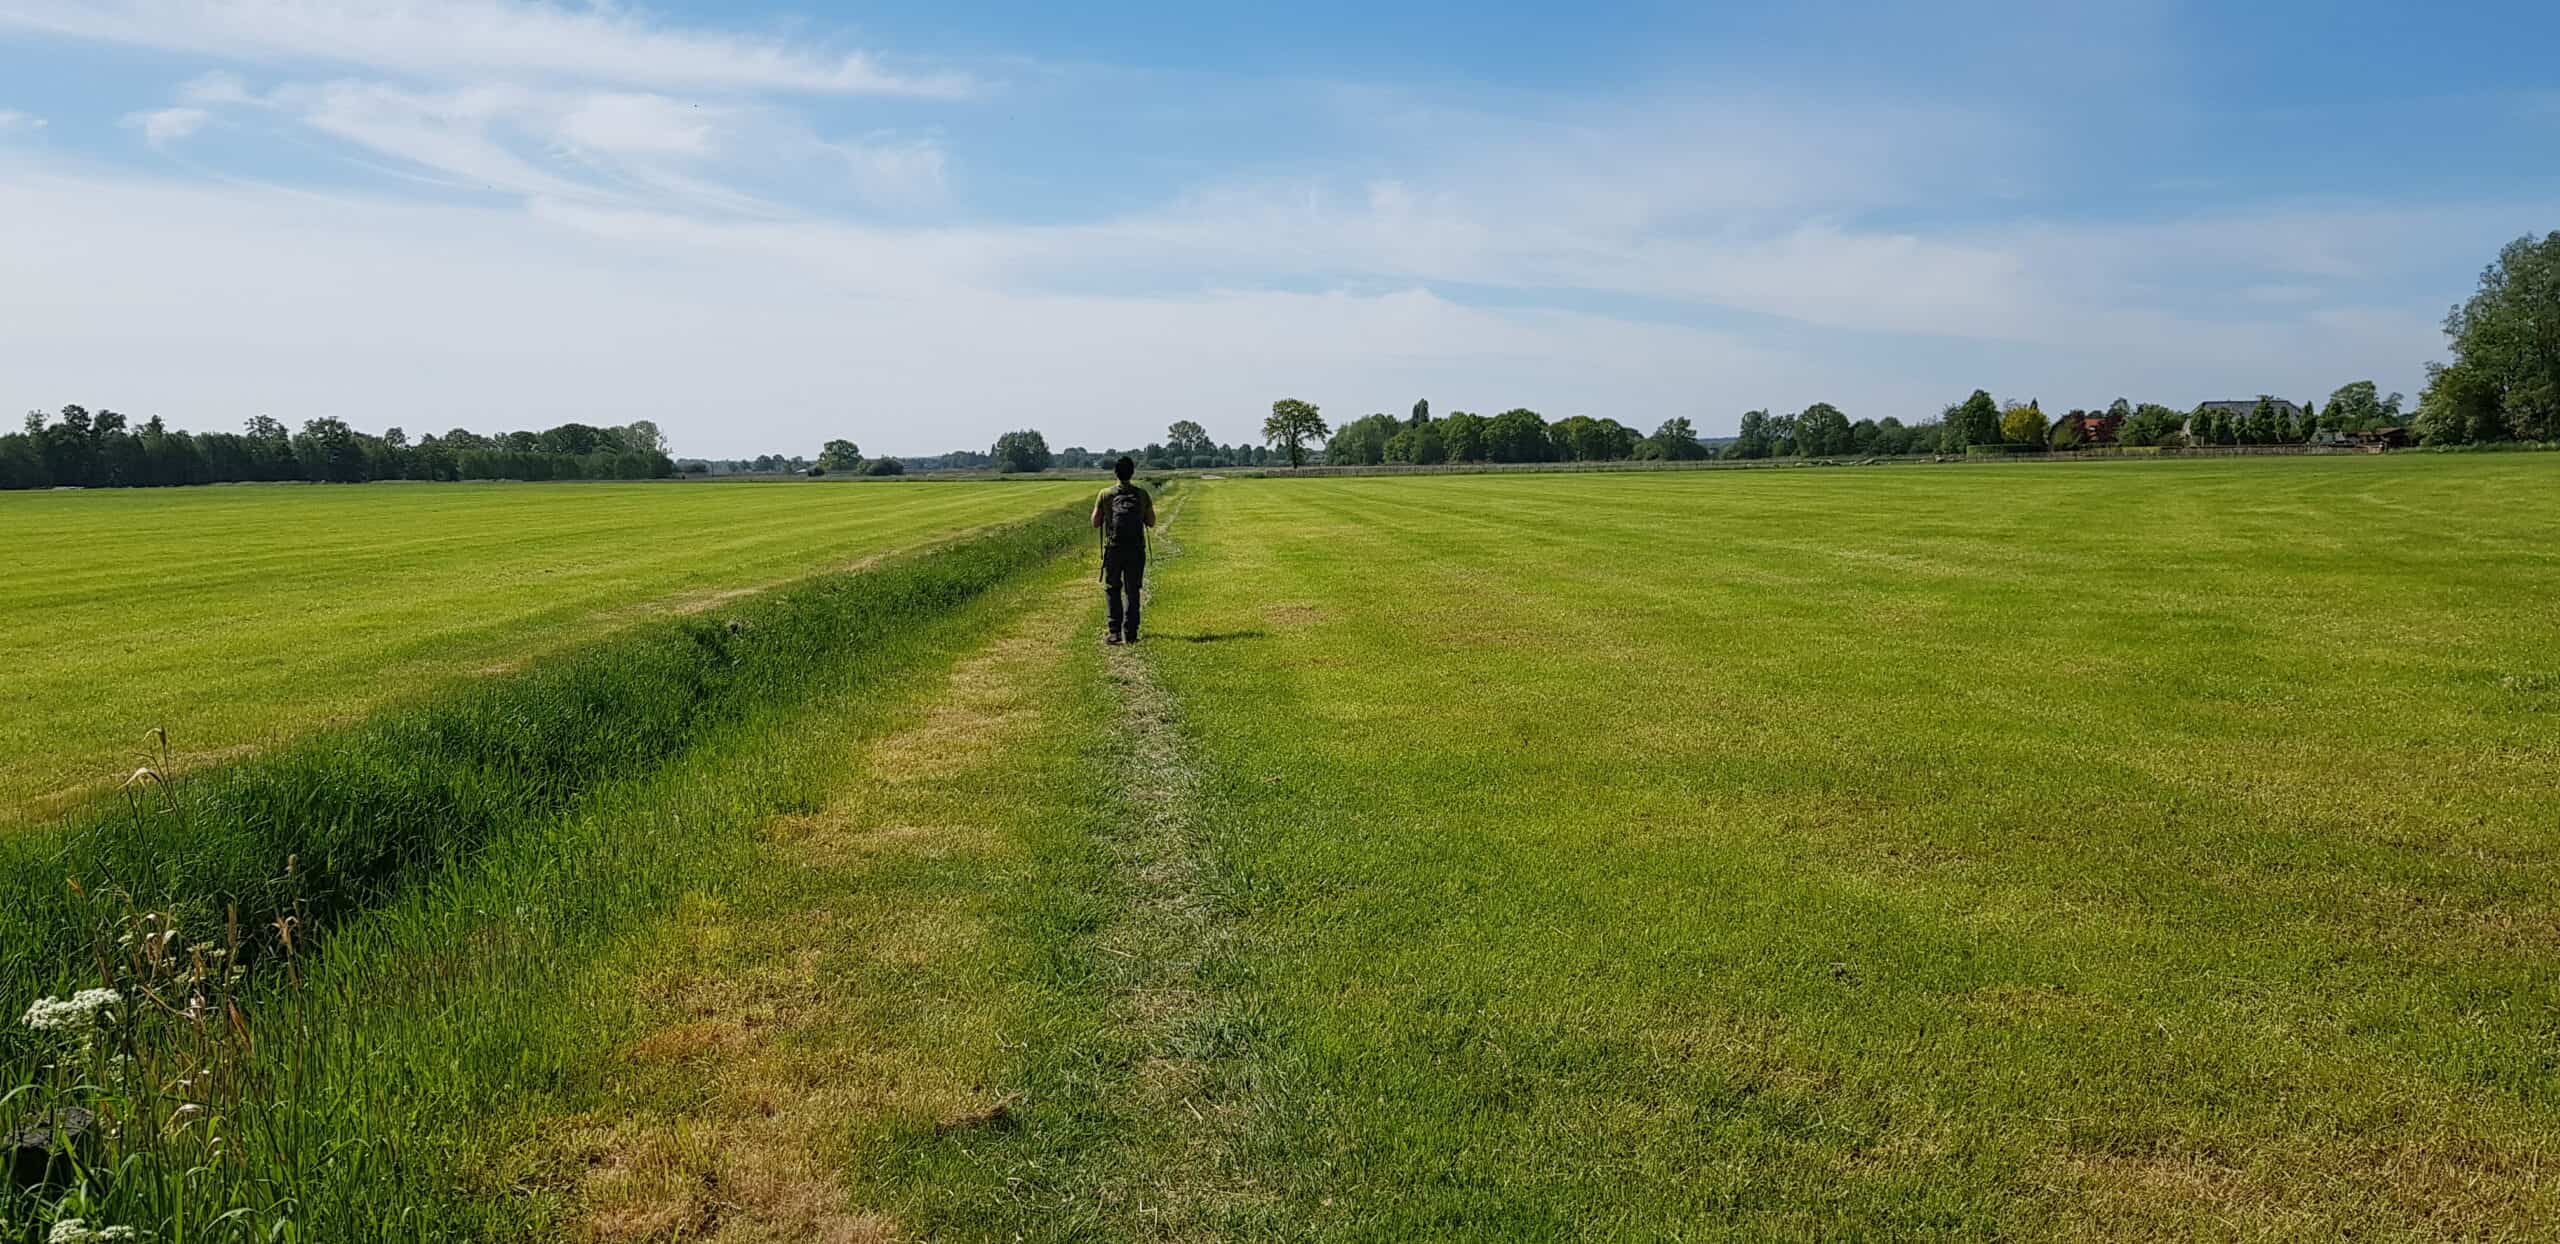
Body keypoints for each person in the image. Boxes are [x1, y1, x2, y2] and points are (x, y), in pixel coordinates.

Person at [1091, 456, 1156, 644]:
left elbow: (1095, 522)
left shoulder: (1105, 494)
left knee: (1112, 588)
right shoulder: (1142, 494)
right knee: (1133, 590)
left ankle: (1114, 632)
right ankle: (1131, 633)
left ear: (1115, 473)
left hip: (1114, 548)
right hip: (1136, 549)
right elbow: (1151, 522)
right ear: (1132, 473)